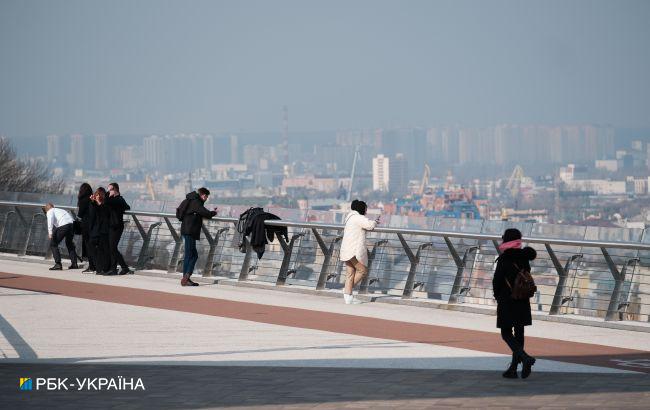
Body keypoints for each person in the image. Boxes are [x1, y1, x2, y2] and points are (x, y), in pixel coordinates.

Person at [492, 228, 537, 379]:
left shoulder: (504, 259)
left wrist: (497, 296)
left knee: (506, 333)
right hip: (523, 299)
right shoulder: (525, 257)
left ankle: (525, 358)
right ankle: (513, 368)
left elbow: (497, 280)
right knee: (519, 333)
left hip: (507, 300)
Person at [339, 199, 378, 304]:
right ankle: (347, 290)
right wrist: (375, 222)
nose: (366, 212)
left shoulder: (350, 217)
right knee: (363, 270)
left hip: (346, 249)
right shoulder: (358, 218)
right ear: (362, 209)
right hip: (352, 251)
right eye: (365, 209)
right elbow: (369, 225)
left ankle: (348, 297)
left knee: (350, 273)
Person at [177, 187, 217, 286]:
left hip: (187, 230)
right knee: (191, 255)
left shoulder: (191, 200)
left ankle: (186, 278)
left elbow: (199, 212)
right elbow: (205, 213)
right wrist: (213, 213)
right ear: (202, 195)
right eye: (206, 196)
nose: (206, 198)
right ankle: (186, 276)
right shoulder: (196, 201)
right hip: (190, 231)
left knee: (190, 255)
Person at [105, 182, 132, 275]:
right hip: (112, 226)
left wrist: (108, 194)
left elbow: (127, 206)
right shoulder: (113, 200)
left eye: (110, 189)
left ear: (115, 190)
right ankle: (113, 269)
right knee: (112, 248)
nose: (108, 191)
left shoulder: (119, 199)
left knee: (113, 248)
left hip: (117, 226)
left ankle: (124, 267)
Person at [43, 203, 80, 270]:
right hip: (71, 225)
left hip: (64, 226)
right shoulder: (61, 210)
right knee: (69, 244)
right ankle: (74, 264)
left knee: (53, 244)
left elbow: (50, 220)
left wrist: (50, 232)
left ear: (46, 209)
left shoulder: (50, 211)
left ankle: (58, 264)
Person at [88, 187, 111, 275]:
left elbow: (103, 215)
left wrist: (98, 203)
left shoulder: (105, 205)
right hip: (97, 230)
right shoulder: (95, 204)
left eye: (97, 195)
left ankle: (101, 268)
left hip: (101, 230)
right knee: (98, 250)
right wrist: (93, 202)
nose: (96, 196)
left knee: (101, 250)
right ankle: (99, 268)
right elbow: (93, 214)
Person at [77, 183, 96, 273]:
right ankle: (95, 265)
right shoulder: (92, 199)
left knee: (88, 246)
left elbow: (80, 214)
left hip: (86, 225)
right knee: (93, 245)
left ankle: (91, 266)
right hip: (94, 225)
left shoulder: (83, 200)